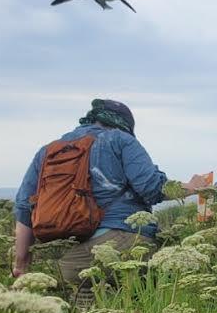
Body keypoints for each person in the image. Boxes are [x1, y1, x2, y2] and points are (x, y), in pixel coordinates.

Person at [13, 99, 169, 294]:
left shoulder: (48, 151)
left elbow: (24, 209)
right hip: (123, 243)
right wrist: (192, 188)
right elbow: (152, 187)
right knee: (145, 298)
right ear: (125, 123)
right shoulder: (121, 139)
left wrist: (21, 263)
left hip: (70, 257)